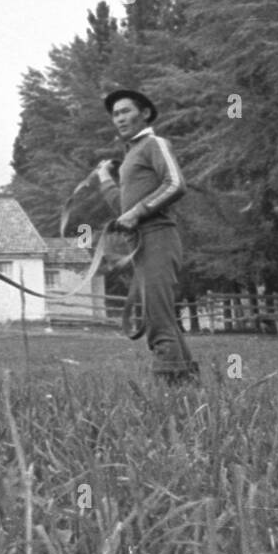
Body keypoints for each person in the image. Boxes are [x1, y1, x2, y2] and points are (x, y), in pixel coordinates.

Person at [96, 88, 198, 383]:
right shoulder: (130, 157)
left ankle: (168, 384)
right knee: (159, 312)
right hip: (140, 242)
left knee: (157, 316)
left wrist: (139, 212)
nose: (119, 118)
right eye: (115, 114)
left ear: (145, 113)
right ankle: (187, 384)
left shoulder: (154, 143)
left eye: (126, 111)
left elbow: (176, 183)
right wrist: (105, 180)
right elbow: (122, 210)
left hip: (159, 237)